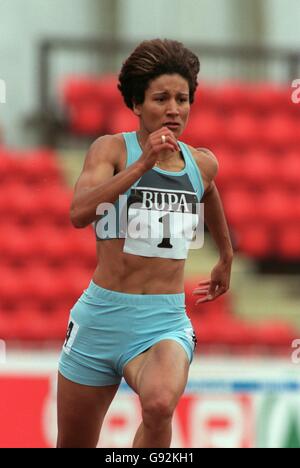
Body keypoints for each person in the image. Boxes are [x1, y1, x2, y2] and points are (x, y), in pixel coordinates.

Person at [57, 38, 233, 448]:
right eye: (161, 98)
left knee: (158, 406)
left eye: (182, 99)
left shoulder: (201, 162)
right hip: (100, 317)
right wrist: (142, 165)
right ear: (137, 105)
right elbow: (79, 213)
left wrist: (226, 255)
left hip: (164, 321)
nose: (174, 109)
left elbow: (208, 191)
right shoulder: (112, 150)